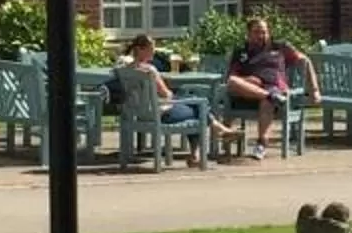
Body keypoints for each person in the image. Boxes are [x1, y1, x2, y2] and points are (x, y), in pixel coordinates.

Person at [219, 16, 319, 156]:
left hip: (274, 88)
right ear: (248, 34)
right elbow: (232, 77)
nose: (261, 35)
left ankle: (261, 144)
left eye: (264, 32)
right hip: (249, 92)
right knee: (233, 82)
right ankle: (271, 97)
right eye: (256, 32)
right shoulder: (241, 52)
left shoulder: (280, 47)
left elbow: (305, 61)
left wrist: (314, 90)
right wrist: (252, 80)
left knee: (267, 101)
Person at [115, 33, 206, 161]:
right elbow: (166, 94)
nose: (153, 52)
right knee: (199, 109)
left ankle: (212, 133)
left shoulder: (125, 70)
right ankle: (196, 154)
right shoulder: (150, 70)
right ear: (141, 50)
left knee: (195, 105)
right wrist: (172, 96)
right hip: (159, 114)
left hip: (138, 114)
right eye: (151, 49)